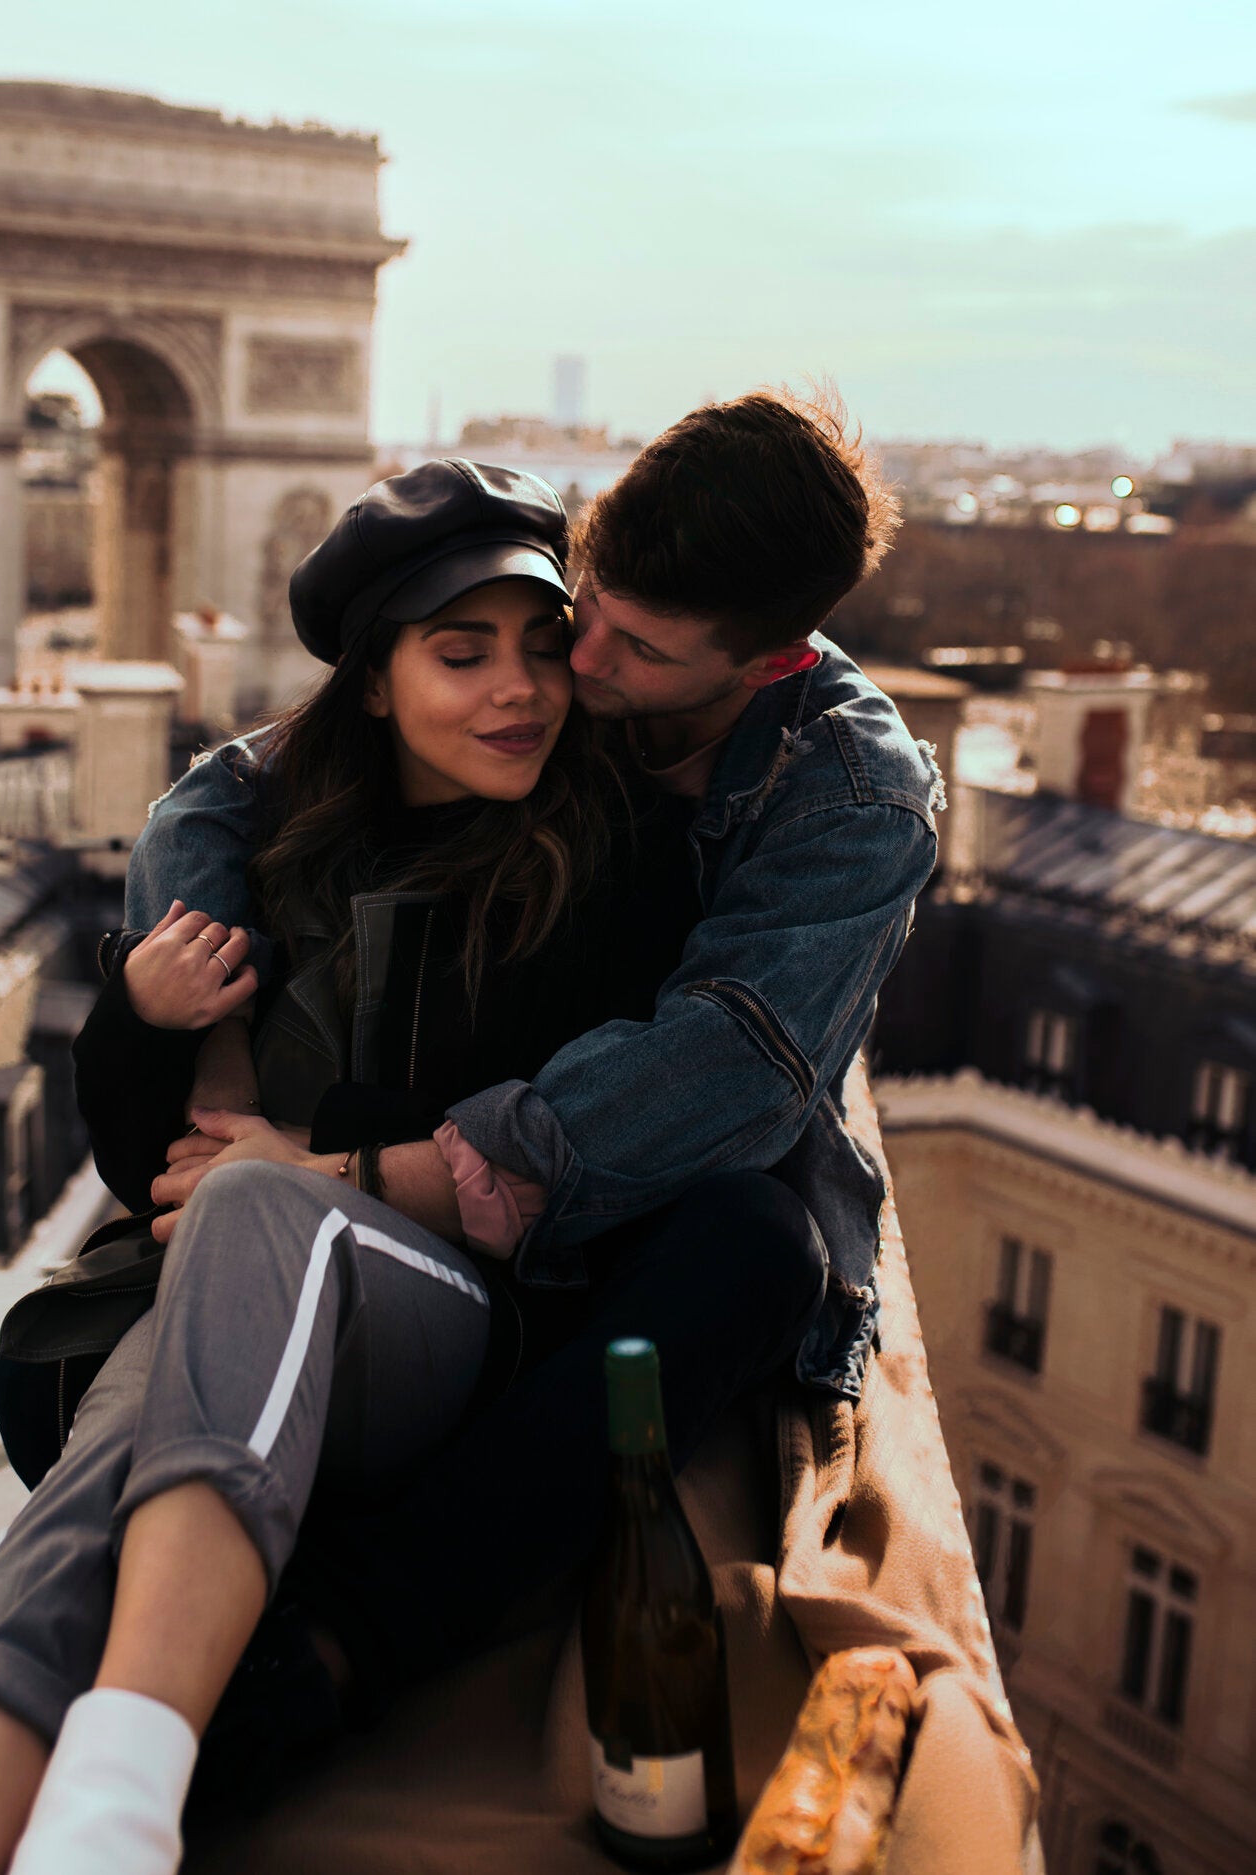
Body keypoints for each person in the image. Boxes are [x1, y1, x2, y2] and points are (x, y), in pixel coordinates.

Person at [0, 461, 826, 1875]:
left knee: (264, 1202)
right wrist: (143, 1017)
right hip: (249, 1310)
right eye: (460, 652)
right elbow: (157, 1170)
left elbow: (579, 1147)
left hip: (452, 1324)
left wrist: (327, 1150)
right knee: (107, 1468)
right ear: (372, 684)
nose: (522, 691)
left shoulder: (623, 852)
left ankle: (120, 1789)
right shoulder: (273, 849)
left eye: (546, 648)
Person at [103, 387, 942, 1745]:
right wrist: (217, 1038)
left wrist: (344, 1171)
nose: (578, 672)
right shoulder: (548, 643)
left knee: (759, 1245)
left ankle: (344, 1646)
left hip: (622, 1196)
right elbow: (226, 789)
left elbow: (727, 1075)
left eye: (640, 651)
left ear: (775, 665)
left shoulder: (854, 794)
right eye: (583, 609)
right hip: (431, 1170)